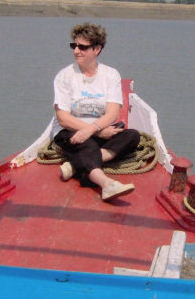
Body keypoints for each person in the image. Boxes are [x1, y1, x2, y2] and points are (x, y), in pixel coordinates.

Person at [52, 23, 140, 201]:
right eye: (74, 46)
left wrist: (93, 130)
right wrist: (94, 131)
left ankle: (76, 166)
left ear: (97, 49)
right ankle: (107, 184)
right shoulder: (64, 76)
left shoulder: (110, 75)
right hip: (70, 130)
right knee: (88, 144)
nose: (76, 51)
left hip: (97, 128)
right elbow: (63, 118)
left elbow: (112, 113)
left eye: (82, 47)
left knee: (132, 136)